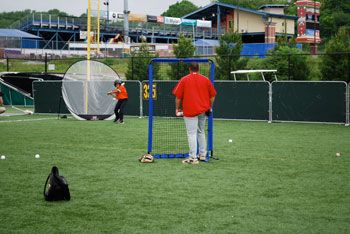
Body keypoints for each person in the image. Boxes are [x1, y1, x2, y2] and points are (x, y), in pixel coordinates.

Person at [172, 62, 217, 164]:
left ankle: (193, 158)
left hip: (190, 110)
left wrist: (177, 109)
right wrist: (209, 106)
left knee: (191, 133)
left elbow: (178, 97)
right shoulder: (206, 79)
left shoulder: (184, 79)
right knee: (201, 131)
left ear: (189, 69)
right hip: (203, 110)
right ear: (198, 69)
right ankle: (202, 155)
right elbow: (213, 95)